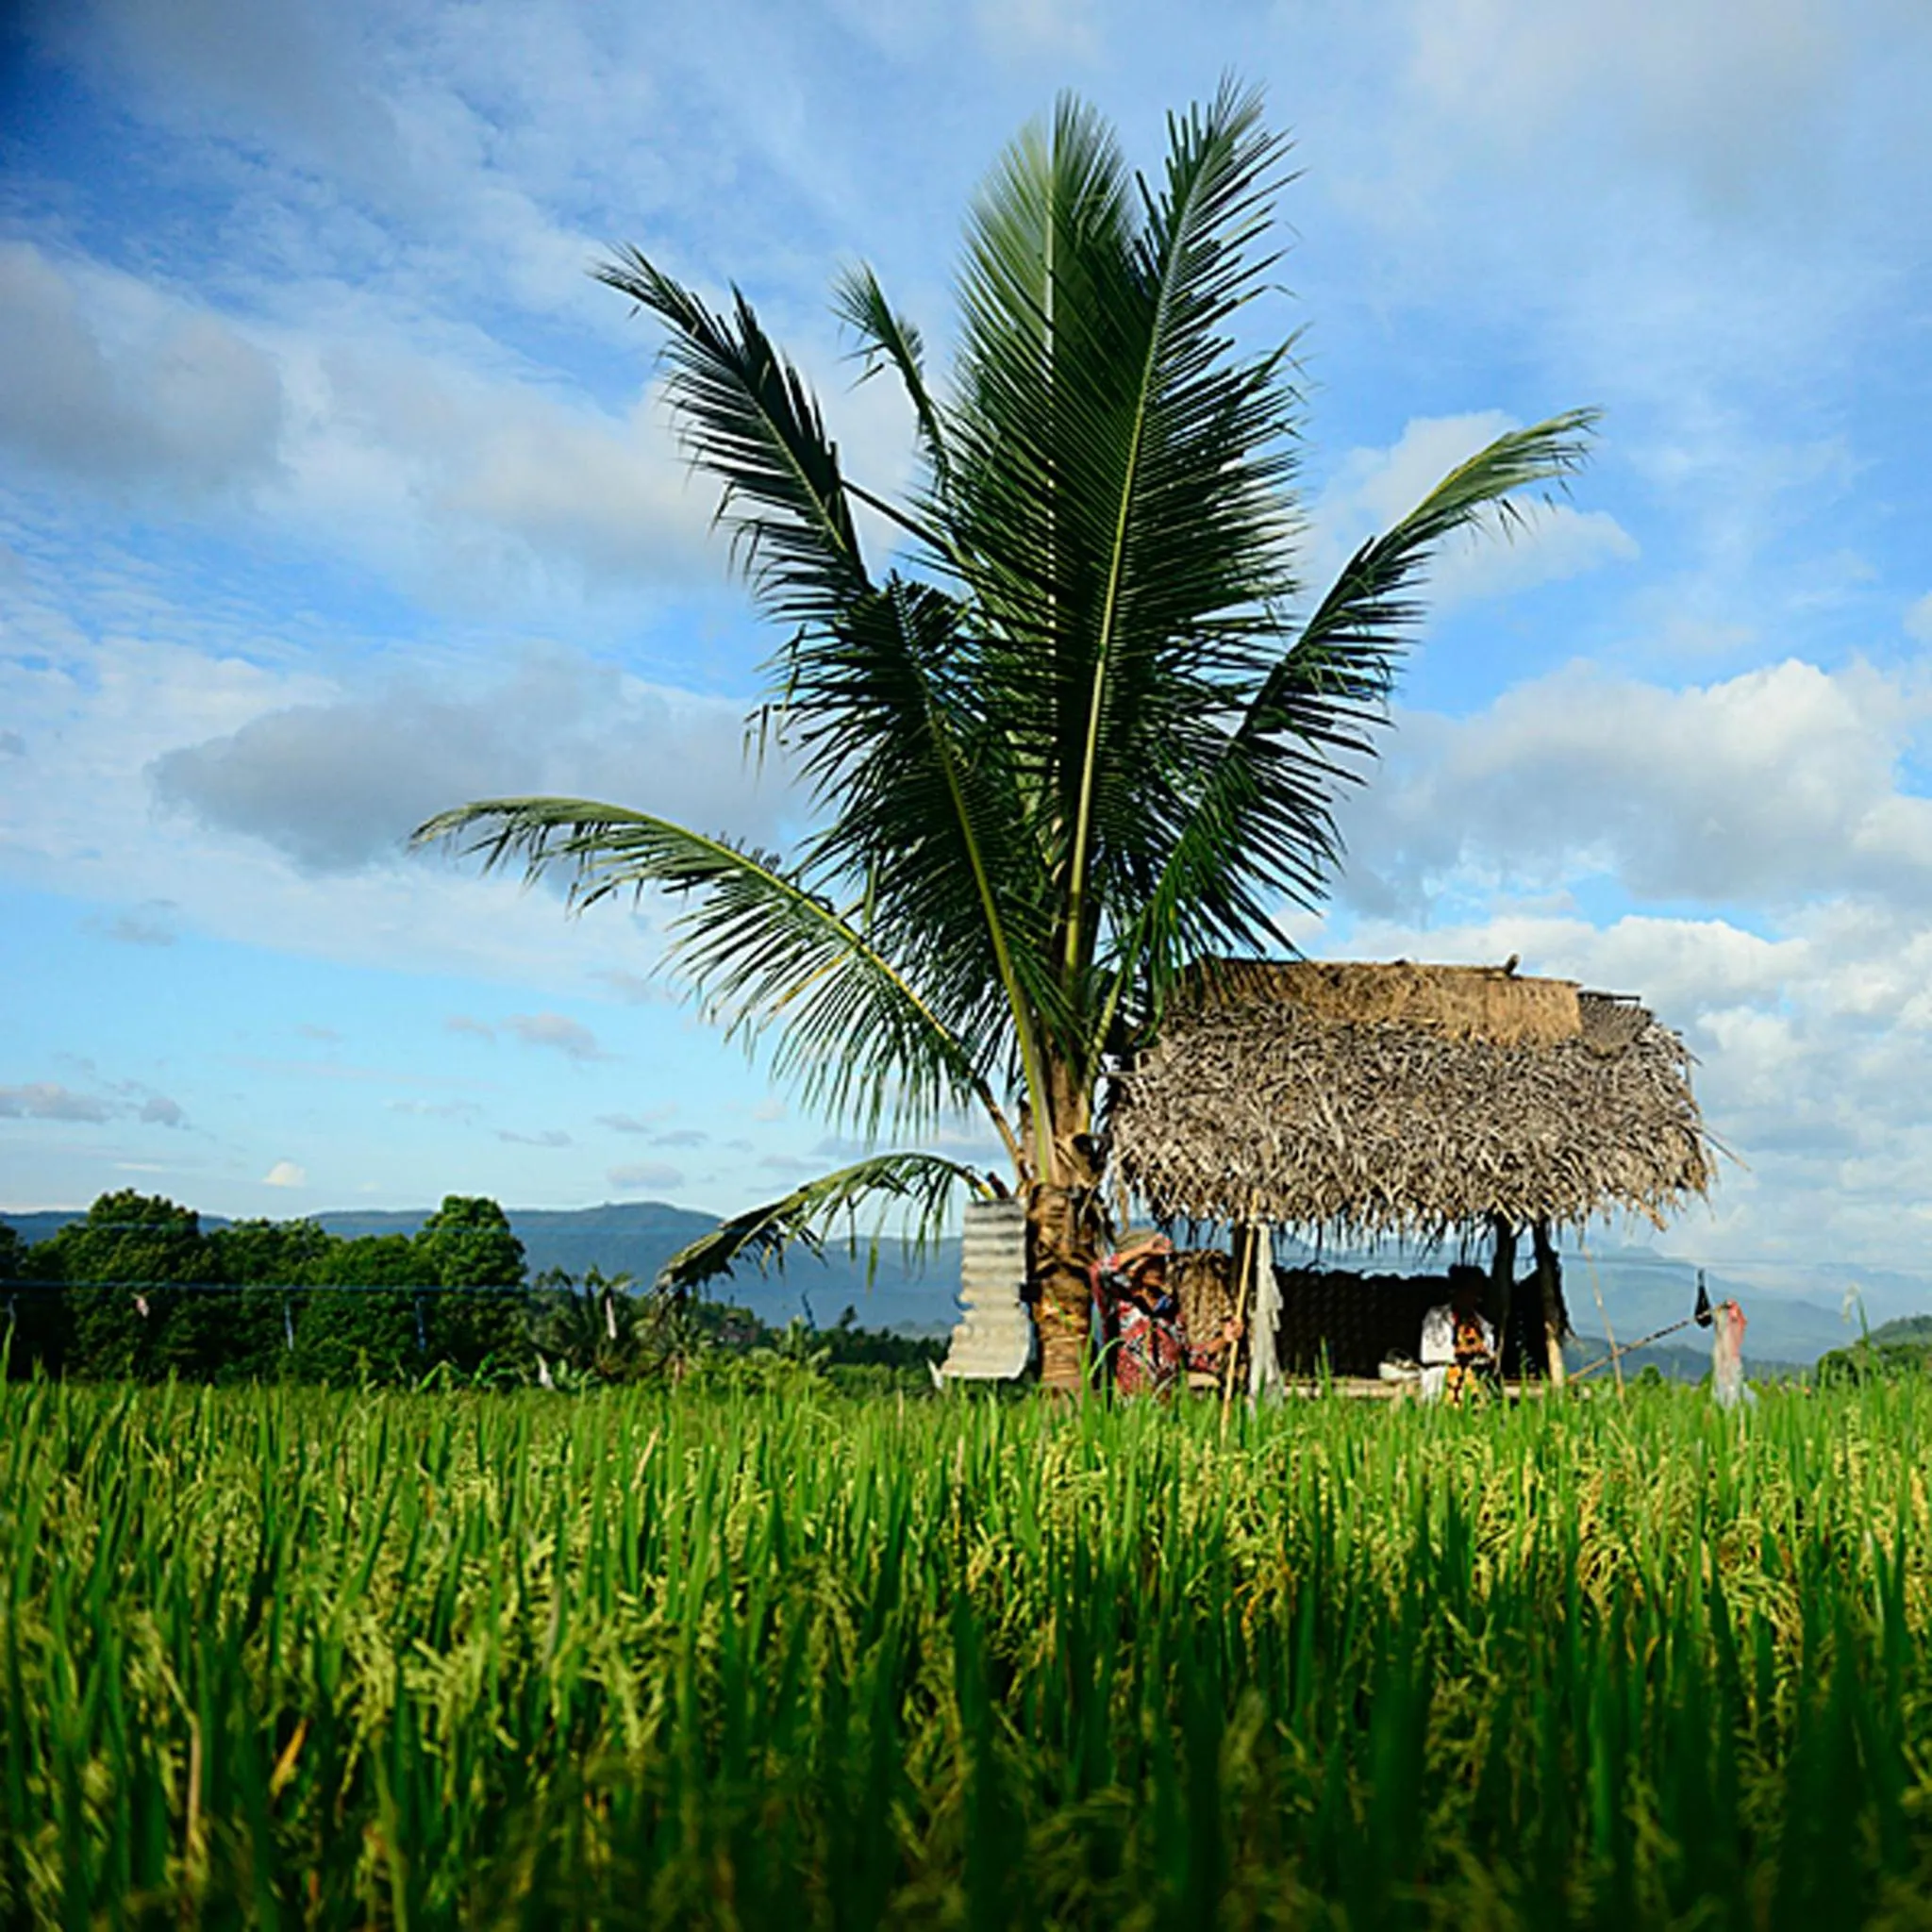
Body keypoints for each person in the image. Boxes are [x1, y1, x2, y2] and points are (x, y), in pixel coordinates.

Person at [1093, 1230, 1187, 1396]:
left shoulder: (1170, 1308)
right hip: (1127, 1407)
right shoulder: (1119, 1302)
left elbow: (1188, 1354)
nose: (1158, 1269)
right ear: (1134, 1266)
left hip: (1167, 1407)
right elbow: (1097, 1272)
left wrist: (1224, 1339)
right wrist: (1143, 1249)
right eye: (1151, 1262)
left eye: (1161, 1262)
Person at [1420, 1264, 1496, 1405]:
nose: (1475, 1298)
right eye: (1470, 1291)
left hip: (1473, 1378)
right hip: (1443, 1375)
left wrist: (1485, 1353)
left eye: (1477, 1293)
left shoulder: (1482, 1323)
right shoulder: (1436, 1317)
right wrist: (1460, 1352)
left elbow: (1490, 1353)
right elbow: (1429, 1353)